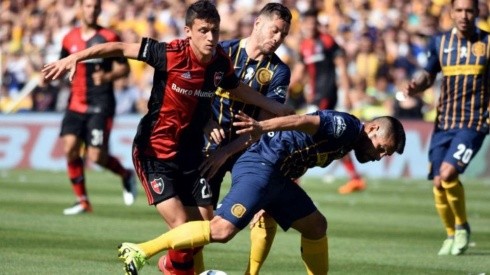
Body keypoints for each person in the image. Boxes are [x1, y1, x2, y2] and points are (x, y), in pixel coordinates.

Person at [42, 0, 294, 273]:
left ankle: (169, 264)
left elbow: (236, 89)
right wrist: (75, 57)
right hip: (155, 151)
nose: (211, 38)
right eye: (204, 31)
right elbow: (120, 48)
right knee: (182, 228)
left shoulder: (221, 61)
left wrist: (277, 109)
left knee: (206, 227)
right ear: (188, 31)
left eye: (215, 31)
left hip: (192, 152)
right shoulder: (170, 53)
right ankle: (167, 263)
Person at [117, 109, 406, 275]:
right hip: (261, 164)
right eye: (382, 148)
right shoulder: (347, 128)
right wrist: (260, 127)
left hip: (279, 177)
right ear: (374, 128)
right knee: (221, 230)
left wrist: (274, 199)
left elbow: (303, 153)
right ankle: (141, 250)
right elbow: (304, 120)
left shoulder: (348, 142)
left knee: (316, 225)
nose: (379, 156)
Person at [196, 3, 292, 275]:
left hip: (246, 149)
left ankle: (252, 273)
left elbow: (262, 124)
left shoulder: (279, 72)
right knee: (200, 220)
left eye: (283, 35)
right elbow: (194, 94)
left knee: (267, 206)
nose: (278, 39)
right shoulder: (222, 52)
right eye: (275, 30)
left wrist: (227, 152)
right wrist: (206, 121)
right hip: (208, 143)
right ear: (257, 24)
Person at [402, 0, 489, 256]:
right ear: (451, 13)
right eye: (459, 10)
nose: (464, 15)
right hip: (444, 122)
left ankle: (462, 226)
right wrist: (415, 85)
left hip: (473, 123)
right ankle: (450, 234)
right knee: (438, 182)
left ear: (477, 13)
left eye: (469, 10)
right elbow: (427, 75)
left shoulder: (487, 43)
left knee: (449, 173)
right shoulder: (439, 43)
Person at [50, 0, 136, 215]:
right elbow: (63, 65)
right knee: (69, 148)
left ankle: (126, 174)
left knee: (96, 157)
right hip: (75, 103)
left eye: (95, 7)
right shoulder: (69, 38)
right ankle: (82, 200)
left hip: (100, 104)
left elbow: (124, 69)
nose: (92, 10)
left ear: (99, 10)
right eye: (88, 6)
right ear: (80, 9)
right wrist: (51, 75)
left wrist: (107, 75)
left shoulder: (109, 37)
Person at [290, 8, 367, 195]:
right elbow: (300, 71)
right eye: (306, 23)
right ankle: (355, 177)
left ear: (317, 24)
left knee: (307, 133)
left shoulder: (327, 41)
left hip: (327, 94)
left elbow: (342, 67)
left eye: (312, 23)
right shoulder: (304, 45)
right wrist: (286, 88)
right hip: (315, 95)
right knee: (331, 137)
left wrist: (347, 93)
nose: (310, 26)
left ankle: (294, 178)